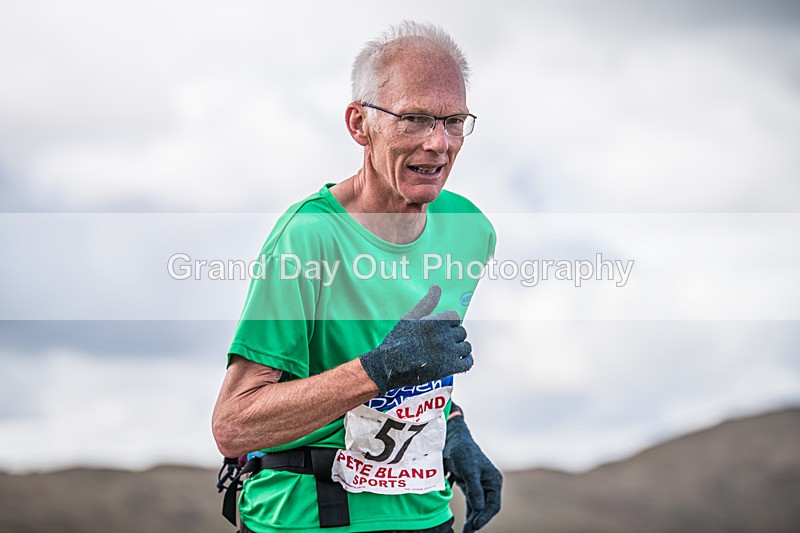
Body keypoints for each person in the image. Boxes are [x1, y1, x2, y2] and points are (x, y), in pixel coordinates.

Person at [212, 21, 502, 533]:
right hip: (306, 518)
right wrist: (378, 368)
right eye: (414, 119)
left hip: (424, 514)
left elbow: (421, 363)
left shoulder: (470, 230)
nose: (439, 142)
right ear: (359, 124)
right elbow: (235, 425)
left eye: (453, 121)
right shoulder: (308, 237)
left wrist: (452, 426)